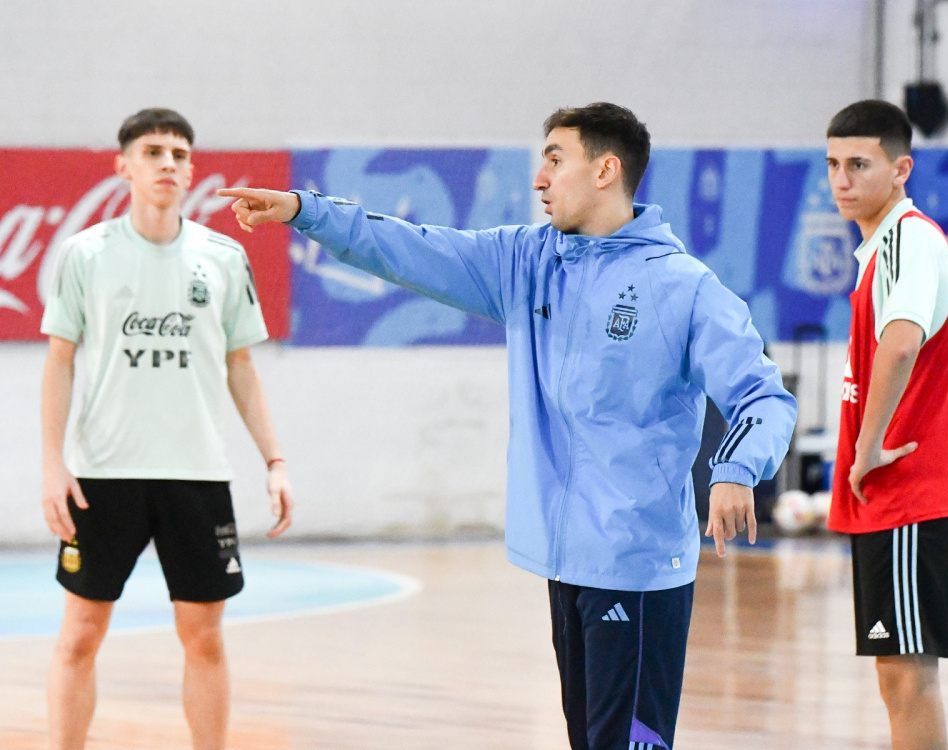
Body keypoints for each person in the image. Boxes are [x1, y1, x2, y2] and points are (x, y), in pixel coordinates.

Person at [220, 102, 795, 750]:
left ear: (606, 169)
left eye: (556, 158)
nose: (539, 178)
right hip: (566, 562)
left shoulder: (683, 288)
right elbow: (411, 248)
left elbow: (763, 397)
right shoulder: (526, 262)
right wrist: (305, 211)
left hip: (635, 566)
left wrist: (736, 470)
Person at [40, 107, 293, 750]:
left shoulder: (224, 258)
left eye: (180, 154)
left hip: (197, 474)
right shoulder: (85, 254)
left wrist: (275, 460)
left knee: (204, 637)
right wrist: (51, 462)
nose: (168, 164)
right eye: (153, 152)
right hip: (103, 473)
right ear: (123, 165)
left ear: (192, 169)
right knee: (80, 633)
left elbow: (242, 367)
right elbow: (60, 362)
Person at [825, 100, 948, 750]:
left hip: (909, 488)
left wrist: (868, 445)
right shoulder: (880, 249)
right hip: (895, 496)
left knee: (908, 680)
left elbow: (902, 342)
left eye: (859, 164)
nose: (842, 180)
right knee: (898, 678)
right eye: (833, 164)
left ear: (901, 168)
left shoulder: (909, 240)